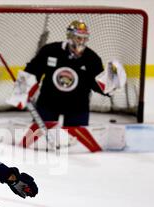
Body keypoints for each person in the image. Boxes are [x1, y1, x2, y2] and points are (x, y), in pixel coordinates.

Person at [12, 20, 125, 152]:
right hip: (49, 102)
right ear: (70, 36)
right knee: (39, 144)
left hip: (77, 105)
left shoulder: (92, 58)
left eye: (85, 38)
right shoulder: (50, 51)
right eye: (78, 37)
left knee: (76, 146)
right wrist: (21, 91)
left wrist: (110, 87)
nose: (81, 41)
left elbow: (96, 84)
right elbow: (32, 70)